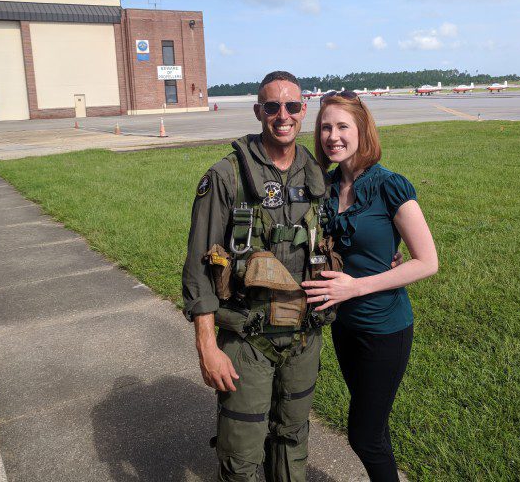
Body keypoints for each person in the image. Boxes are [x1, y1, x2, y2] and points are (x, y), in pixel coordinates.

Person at [181, 71, 334, 482]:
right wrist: (207, 347)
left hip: (305, 338)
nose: (282, 115)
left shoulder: (315, 174)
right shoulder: (227, 176)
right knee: (241, 457)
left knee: (292, 442)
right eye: (272, 107)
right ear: (258, 112)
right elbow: (198, 268)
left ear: (303, 110)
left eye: (291, 106)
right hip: (247, 342)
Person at [302, 92, 438, 482]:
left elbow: (427, 262)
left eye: (343, 126)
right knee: (375, 430)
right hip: (345, 327)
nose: (333, 136)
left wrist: (355, 288)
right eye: (326, 127)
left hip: (384, 329)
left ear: (362, 130)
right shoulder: (324, 188)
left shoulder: (389, 186)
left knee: (363, 436)